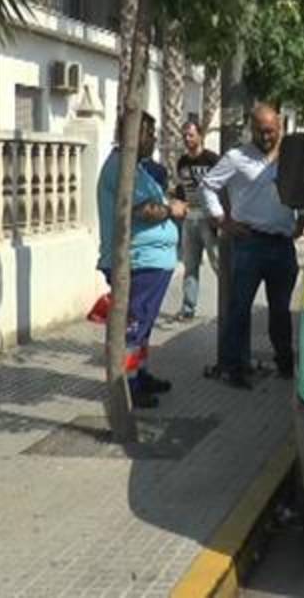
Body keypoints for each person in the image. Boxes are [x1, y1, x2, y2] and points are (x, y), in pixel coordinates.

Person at [200, 104, 302, 388]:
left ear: (280, 128)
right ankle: (236, 369)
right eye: (260, 131)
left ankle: (285, 363)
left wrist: (303, 222)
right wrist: (222, 221)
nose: (266, 136)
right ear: (251, 129)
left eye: (270, 131)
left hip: (282, 246)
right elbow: (207, 186)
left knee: (281, 311)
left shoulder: (289, 159)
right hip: (249, 244)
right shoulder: (236, 158)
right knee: (240, 308)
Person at [96, 111, 187, 408]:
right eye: (150, 134)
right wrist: (170, 209)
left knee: (143, 327)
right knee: (134, 326)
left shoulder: (137, 168)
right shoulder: (120, 168)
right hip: (138, 260)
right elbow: (142, 210)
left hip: (151, 261)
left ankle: (140, 373)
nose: (154, 139)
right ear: (134, 134)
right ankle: (129, 384)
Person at [173, 121, 221, 320]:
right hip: (190, 218)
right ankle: (188, 308)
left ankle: (227, 306)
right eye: (185, 135)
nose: (187, 138)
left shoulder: (212, 159)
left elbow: (223, 186)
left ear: (200, 136)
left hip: (209, 218)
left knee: (219, 264)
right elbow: (180, 190)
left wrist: (218, 216)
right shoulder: (182, 162)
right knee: (190, 266)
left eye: (191, 135)